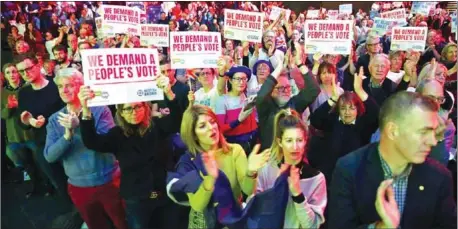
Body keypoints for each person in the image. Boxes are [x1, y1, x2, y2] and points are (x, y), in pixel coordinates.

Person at [328, 91, 457, 229]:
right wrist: (380, 227)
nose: (432, 141)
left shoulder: (439, 177)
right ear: (392, 131)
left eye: (433, 132)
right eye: (424, 132)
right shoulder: (349, 169)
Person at [79, 75, 185, 229]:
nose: (133, 112)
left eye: (137, 106)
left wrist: (169, 93)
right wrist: (85, 108)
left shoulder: (156, 127)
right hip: (136, 200)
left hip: (165, 195)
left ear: (145, 107)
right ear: (120, 112)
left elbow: (177, 121)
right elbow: (92, 142)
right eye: (128, 108)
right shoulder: (117, 135)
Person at [43, 68, 128, 229]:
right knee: (95, 225)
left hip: (109, 181)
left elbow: (105, 144)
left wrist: (81, 126)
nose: (64, 90)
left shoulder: (100, 110)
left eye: (69, 85)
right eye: (60, 86)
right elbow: (49, 156)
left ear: (82, 87)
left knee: (122, 222)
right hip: (79, 187)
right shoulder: (55, 119)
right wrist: (67, 135)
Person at [167, 105, 269, 229]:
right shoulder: (189, 161)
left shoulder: (234, 151)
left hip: (231, 220)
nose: (211, 128)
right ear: (193, 134)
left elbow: (248, 190)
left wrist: (251, 172)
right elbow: (197, 205)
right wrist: (210, 179)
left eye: (212, 121)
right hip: (202, 222)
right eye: (202, 126)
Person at [256, 109, 327, 228]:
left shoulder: (316, 178)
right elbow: (255, 211)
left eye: (299, 140)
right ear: (280, 142)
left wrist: (298, 195)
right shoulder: (266, 170)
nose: (295, 147)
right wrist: (275, 192)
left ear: (305, 141)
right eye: (289, 140)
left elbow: (312, 225)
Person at [257, 44, 320, 151]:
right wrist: (279, 68)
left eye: (287, 87)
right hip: (270, 159)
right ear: (271, 91)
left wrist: (299, 63)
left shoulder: (294, 103)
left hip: (293, 155)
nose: (285, 91)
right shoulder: (266, 106)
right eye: (280, 88)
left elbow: (314, 89)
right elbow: (261, 96)